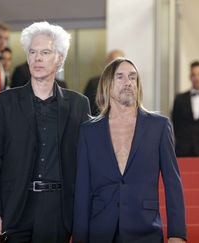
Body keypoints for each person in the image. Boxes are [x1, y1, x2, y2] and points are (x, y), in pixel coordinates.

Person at [0, 21, 90, 243]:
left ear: (59, 59)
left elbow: (87, 163)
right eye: (33, 52)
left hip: (58, 209)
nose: (37, 58)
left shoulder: (79, 105)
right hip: (16, 206)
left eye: (45, 52)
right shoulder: (4, 103)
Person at [73, 58, 186, 243]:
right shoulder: (89, 131)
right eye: (120, 77)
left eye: (133, 77)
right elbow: (82, 190)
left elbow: (173, 183)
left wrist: (177, 234)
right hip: (100, 231)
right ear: (107, 85)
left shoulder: (159, 126)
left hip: (145, 230)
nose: (128, 82)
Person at [83, 49, 124, 115]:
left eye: (119, 62)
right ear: (107, 63)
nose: (115, 65)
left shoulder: (128, 84)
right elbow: (86, 108)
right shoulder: (94, 83)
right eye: (112, 61)